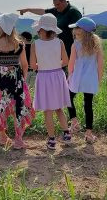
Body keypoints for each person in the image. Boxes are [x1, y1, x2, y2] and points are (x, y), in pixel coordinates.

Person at [0, 13, 35, 150]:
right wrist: (22, 80)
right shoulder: (20, 44)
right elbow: (25, 65)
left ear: (1, 28)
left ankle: (3, 137)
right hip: (16, 80)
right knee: (18, 108)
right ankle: (18, 139)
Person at [30, 13, 72, 150]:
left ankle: (52, 140)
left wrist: (44, 65)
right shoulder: (59, 42)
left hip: (43, 77)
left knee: (47, 110)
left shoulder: (35, 44)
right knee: (59, 108)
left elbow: (32, 65)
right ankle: (66, 134)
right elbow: (65, 61)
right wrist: (54, 64)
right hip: (58, 76)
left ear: (41, 29)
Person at [67, 17, 104, 143]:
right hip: (90, 79)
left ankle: (74, 121)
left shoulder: (75, 45)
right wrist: (98, 80)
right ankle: (88, 134)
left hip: (77, 78)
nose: (75, 30)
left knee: (68, 97)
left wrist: (69, 76)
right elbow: (100, 64)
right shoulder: (96, 44)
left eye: (77, 28)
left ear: (81, 31)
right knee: (88, 105)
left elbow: (71, 64)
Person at [18, 0, 82, 57]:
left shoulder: (73, 12)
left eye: (58, 4)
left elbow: (79, 32)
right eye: (54, 5)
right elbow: (43, 11)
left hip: (73, 48)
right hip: (62, 47)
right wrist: (28, 10)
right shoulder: (57, 10)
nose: (56, 7)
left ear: (64, 1)